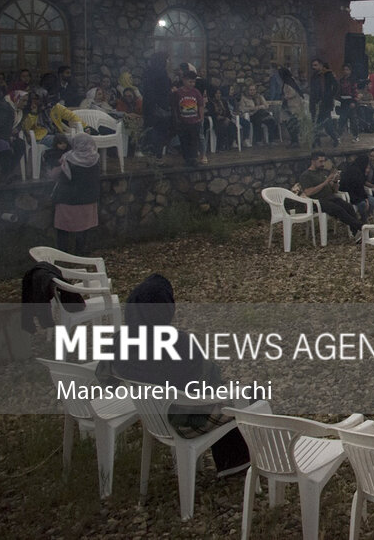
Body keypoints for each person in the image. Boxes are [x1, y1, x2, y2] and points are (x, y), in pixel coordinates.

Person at [112, 273, 253, 477]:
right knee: (248, 397)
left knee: (226, 393)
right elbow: (206, 383)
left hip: (153, 417)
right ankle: (239, 463)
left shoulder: (118, 342)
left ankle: (234, 461)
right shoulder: (178, 343)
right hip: (184, 420)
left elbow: (106, 375)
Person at [295, 151, 363, 241]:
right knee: (338, 210)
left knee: (348, 206)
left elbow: (334, 190)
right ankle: (361, 226)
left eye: (324, 161)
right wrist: (325, 182)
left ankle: (357, 233)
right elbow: (308, 192)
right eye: (320, 161)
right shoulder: (306, 175)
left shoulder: (323, 172)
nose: (323, 164)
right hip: (317, 201)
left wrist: (334, 181)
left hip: (331, 197)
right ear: (313, 161)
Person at [51, 132, 100, 256]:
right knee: (83, 228)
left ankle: (63, 253)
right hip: (88, 200)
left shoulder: (68, 158)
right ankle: (80, 252)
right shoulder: (95, 158)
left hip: (67, 199)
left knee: (63, 229)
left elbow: (58, 176)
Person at [173, 71, 206, 166]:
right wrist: (177, 119)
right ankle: (187, 159)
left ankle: (193, 158)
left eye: (193, 82)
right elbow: (175, 106)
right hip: (183, 122)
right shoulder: (178, 93)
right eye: (190, 82)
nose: (192, 84)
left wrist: (201, 118)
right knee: (184, 141)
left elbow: (200, 105)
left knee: (194, 141)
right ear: (183, 80)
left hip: (194, 122)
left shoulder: (196, 92)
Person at [308, 58, 340, 149]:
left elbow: (336, 86)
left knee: (326, 123)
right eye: (313, 65)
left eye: (316, 65)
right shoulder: (314, 76)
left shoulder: (328, 75)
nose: (313, 67)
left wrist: (329, 96)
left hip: (325, 104)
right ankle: (317, 142)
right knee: (316, 123)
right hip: (315, 103)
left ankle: (335, 138)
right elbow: (313, 90)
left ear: (321, 65)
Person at [338, 153, 374, 222]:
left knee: (372, 200)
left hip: (358, 194)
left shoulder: (360, 171)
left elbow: (360, 186)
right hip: (349, 195)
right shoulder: (353, 171)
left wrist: (365, 198)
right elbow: (354, 188)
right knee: (363, 204)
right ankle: (364, 222)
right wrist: (364, 198)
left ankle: (365, 217)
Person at [206, 87, 237, 152]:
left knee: (233, 127)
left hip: (225, 118)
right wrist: (218, 117)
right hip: (215, 120)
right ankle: (220, 146)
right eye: (216, 93)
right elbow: (210, 113)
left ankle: (229, 144)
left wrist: (227, 118)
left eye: (219, 93)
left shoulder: (223, 101)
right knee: (221, 127)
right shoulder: (210, 102)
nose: (218, 95)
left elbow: (228, 112)